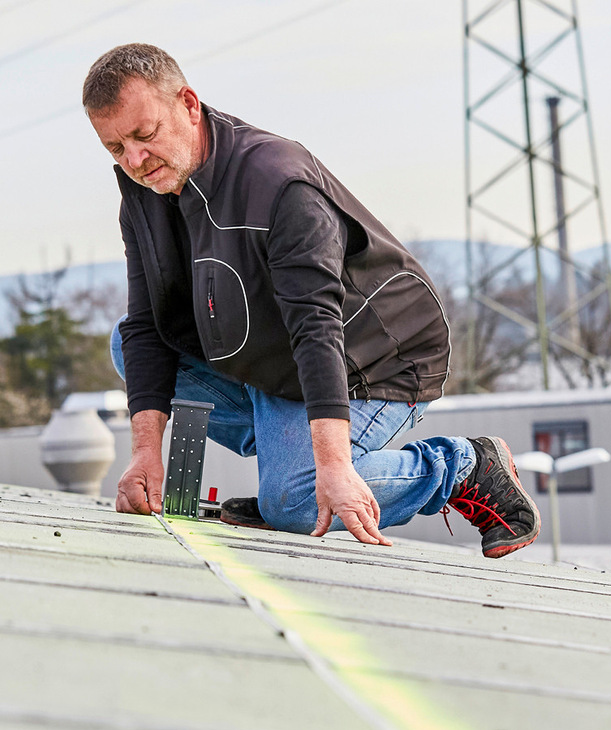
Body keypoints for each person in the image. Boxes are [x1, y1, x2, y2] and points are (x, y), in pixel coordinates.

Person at [83, 43, 540, 559]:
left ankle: (465, 467)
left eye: (145, 136)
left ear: (188, 104)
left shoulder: (277, 181)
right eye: (116, 148)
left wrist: (331, 468)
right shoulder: (143, 185)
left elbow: (317, 329)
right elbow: (147, 324)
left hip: (372, 360)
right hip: (274, 357)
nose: (135, 161)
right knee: (129, 344)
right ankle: (288, 466)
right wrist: (146, 453)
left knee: (299, 503)